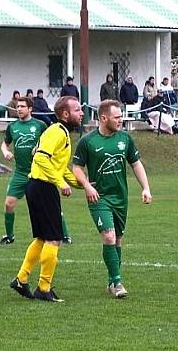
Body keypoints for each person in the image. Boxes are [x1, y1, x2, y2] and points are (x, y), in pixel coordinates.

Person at [71, 100, 152, 299]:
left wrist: (146, 188)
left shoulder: (125, 138)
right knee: (108, 236)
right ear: (103, 118)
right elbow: (76, 168)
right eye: (117, 117)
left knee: (118, 240)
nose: (121, 120)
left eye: (121, 116)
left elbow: (136, 164)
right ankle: (117, 282)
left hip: (120, 197)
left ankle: (111, 280)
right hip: (99, 197)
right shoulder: (87, 141)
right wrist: (87, 186)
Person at [9, 96, 83, 303]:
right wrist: (60, 183)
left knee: (42, 238)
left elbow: (59, 167)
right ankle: (44, 288)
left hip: (39, 186)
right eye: (77, 110)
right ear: (65, 114)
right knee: (54, 239)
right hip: (43, 187)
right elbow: (41, 157)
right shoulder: (56, 131)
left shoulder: (61, 132)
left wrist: (82, 184)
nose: (82, 113)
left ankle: (21, 279)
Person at [0, 96, 48, 245]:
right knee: (8, 204)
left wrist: (39, 147)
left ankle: (64, 235)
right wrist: (5, 152)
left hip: (37, 172)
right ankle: (9, 236)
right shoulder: (12, 127)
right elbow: (4, 144)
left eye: (22, 107)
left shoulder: (40, 125)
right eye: (17, 107)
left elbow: (50, 142)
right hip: (19, 173)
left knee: (46, 206)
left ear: (30, 109)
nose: (18, 109)